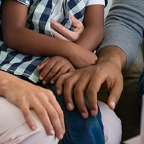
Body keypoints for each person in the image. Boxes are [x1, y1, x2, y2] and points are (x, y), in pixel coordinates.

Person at [0, 0, 122, 144]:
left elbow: (95, 28)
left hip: (64, 67)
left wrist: (70, 58)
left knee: (80, 105)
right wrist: (70, 51)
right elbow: (14, 32)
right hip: (18, 63)